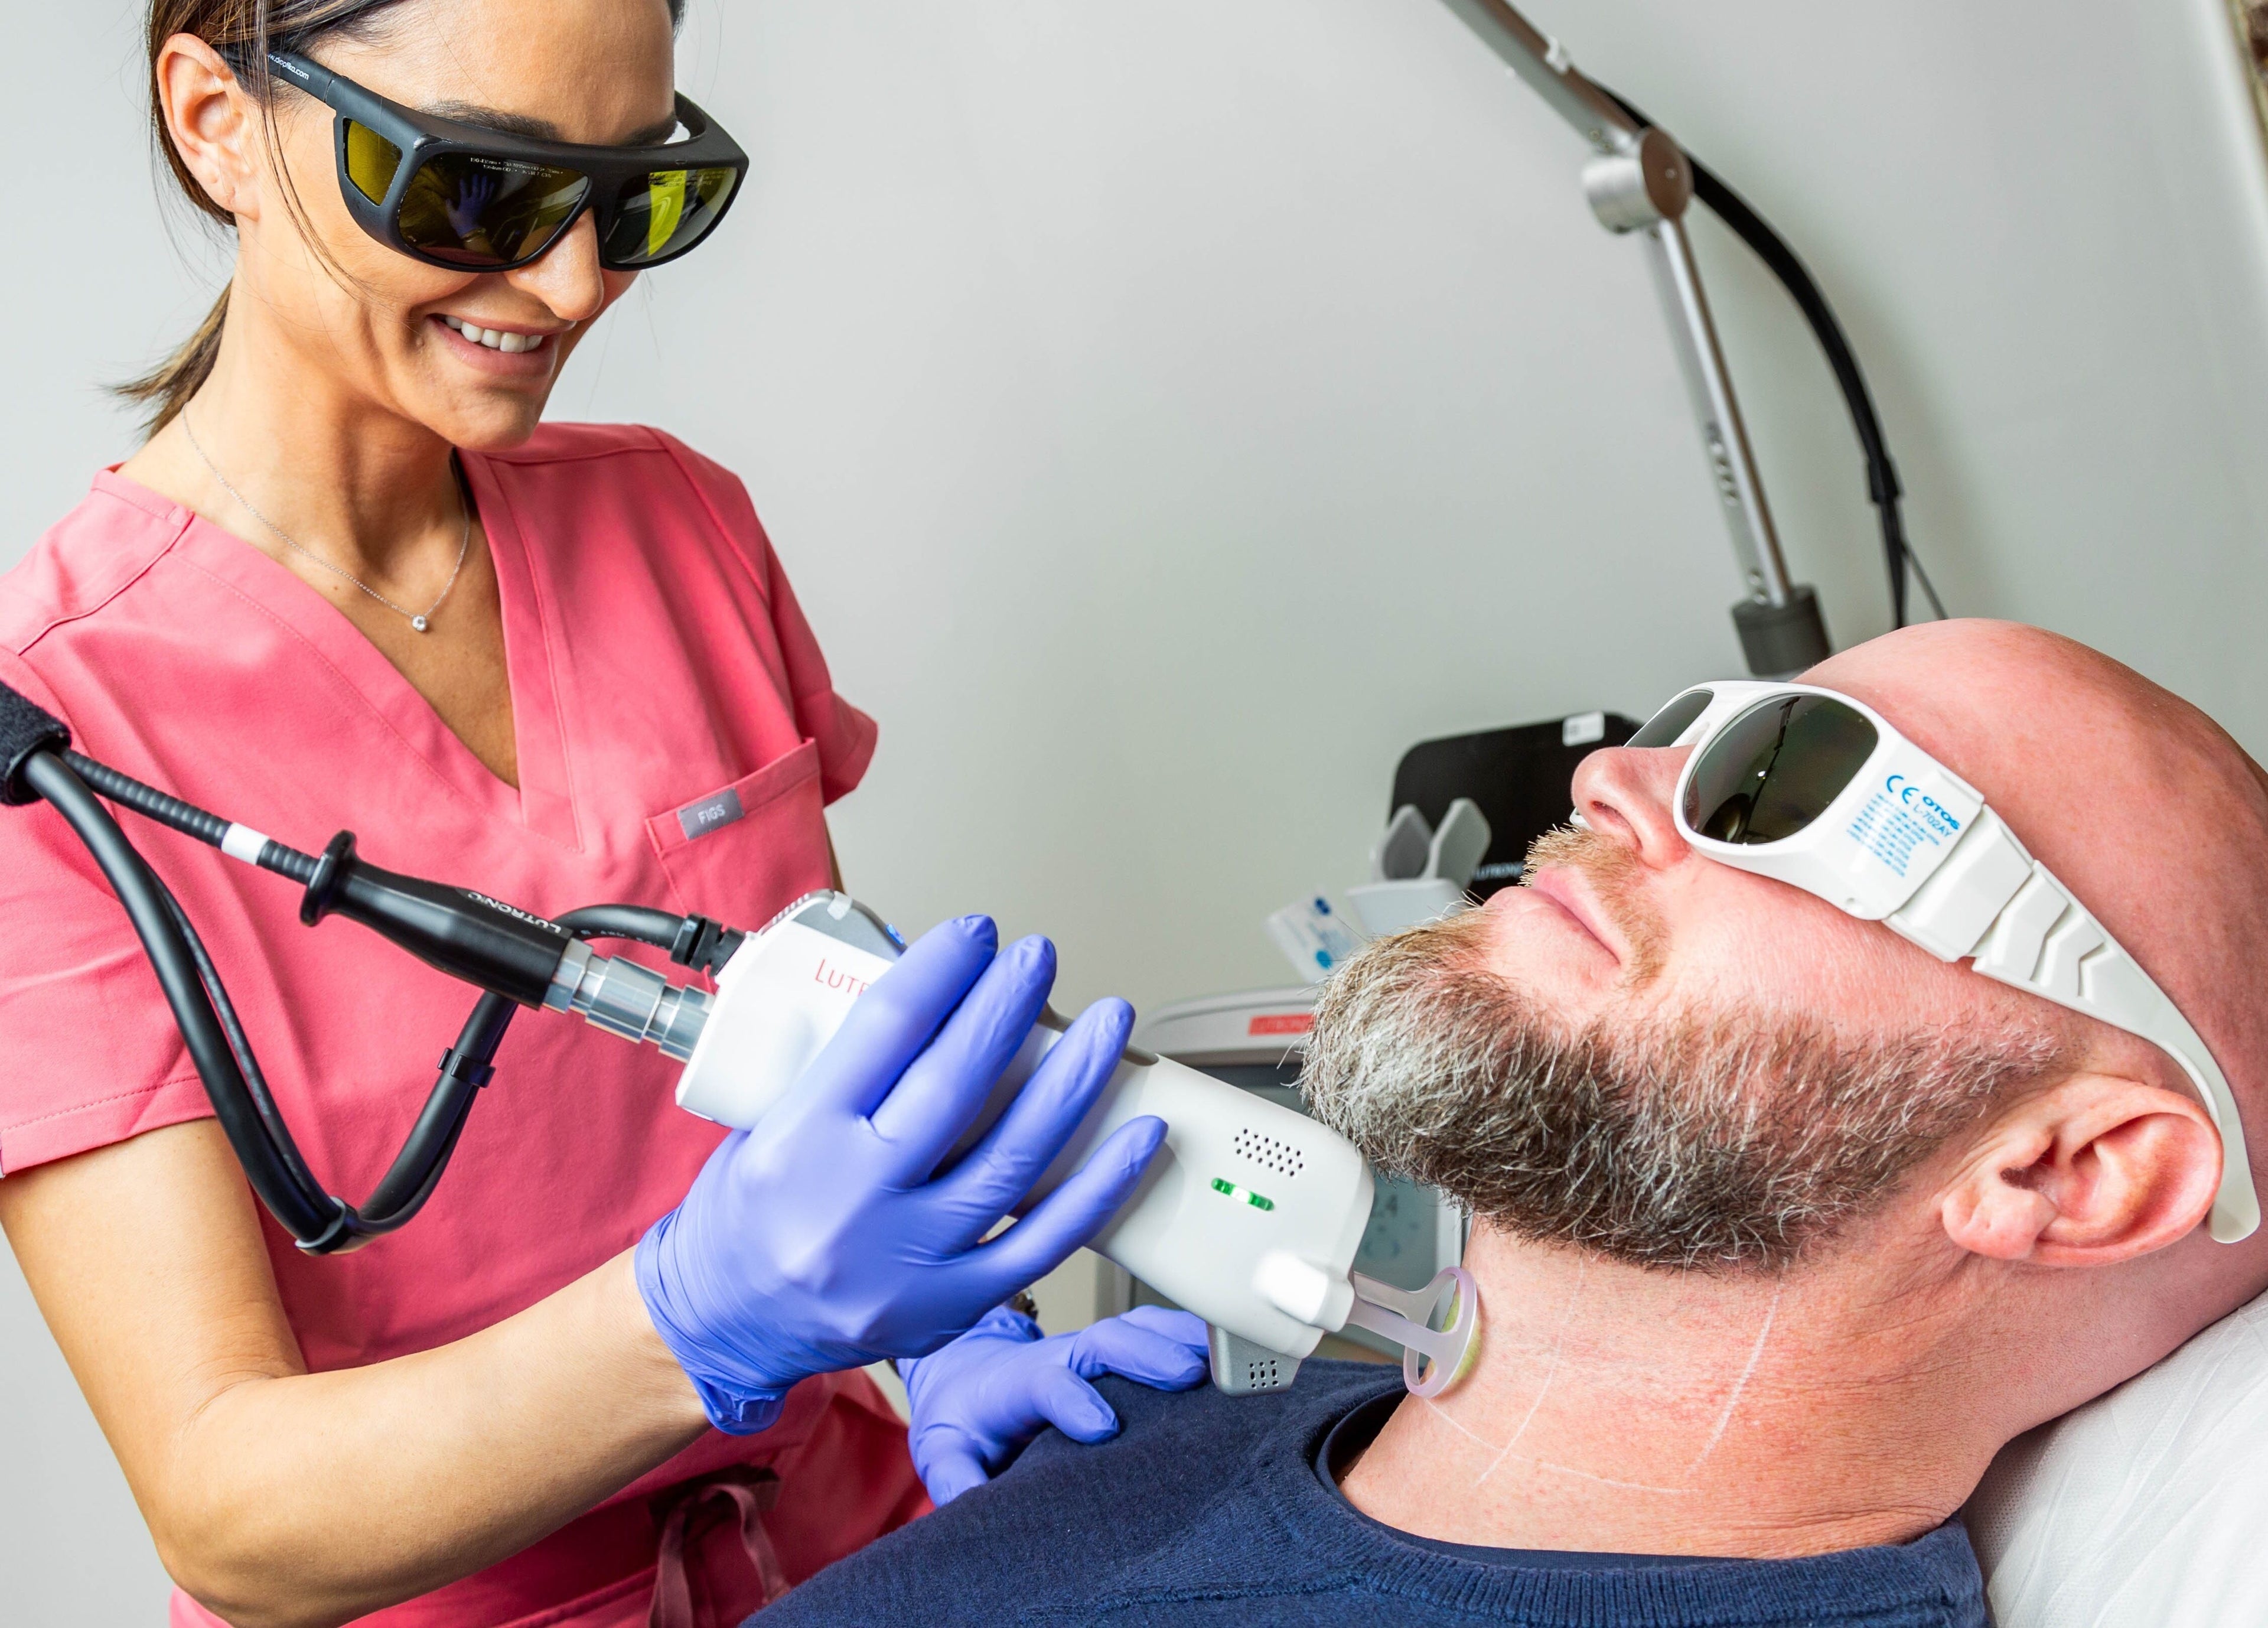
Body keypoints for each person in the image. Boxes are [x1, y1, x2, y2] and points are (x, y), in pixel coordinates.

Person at [0, 4, 1207, 1625]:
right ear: (220, 118)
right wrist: (691, 1322)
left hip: (876, 1552)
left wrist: (958, 1338)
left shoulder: (680, 522)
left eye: (635, 197)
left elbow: (828, 1073)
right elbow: (228, 1509)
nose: (572, 285)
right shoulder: (55, 736)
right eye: (479, 190)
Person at [758, 618, 2268, 1627]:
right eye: (1697, 727)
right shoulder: (1154, 1427)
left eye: (1788, 781)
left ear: (2068, 1172)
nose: (1611, 779)